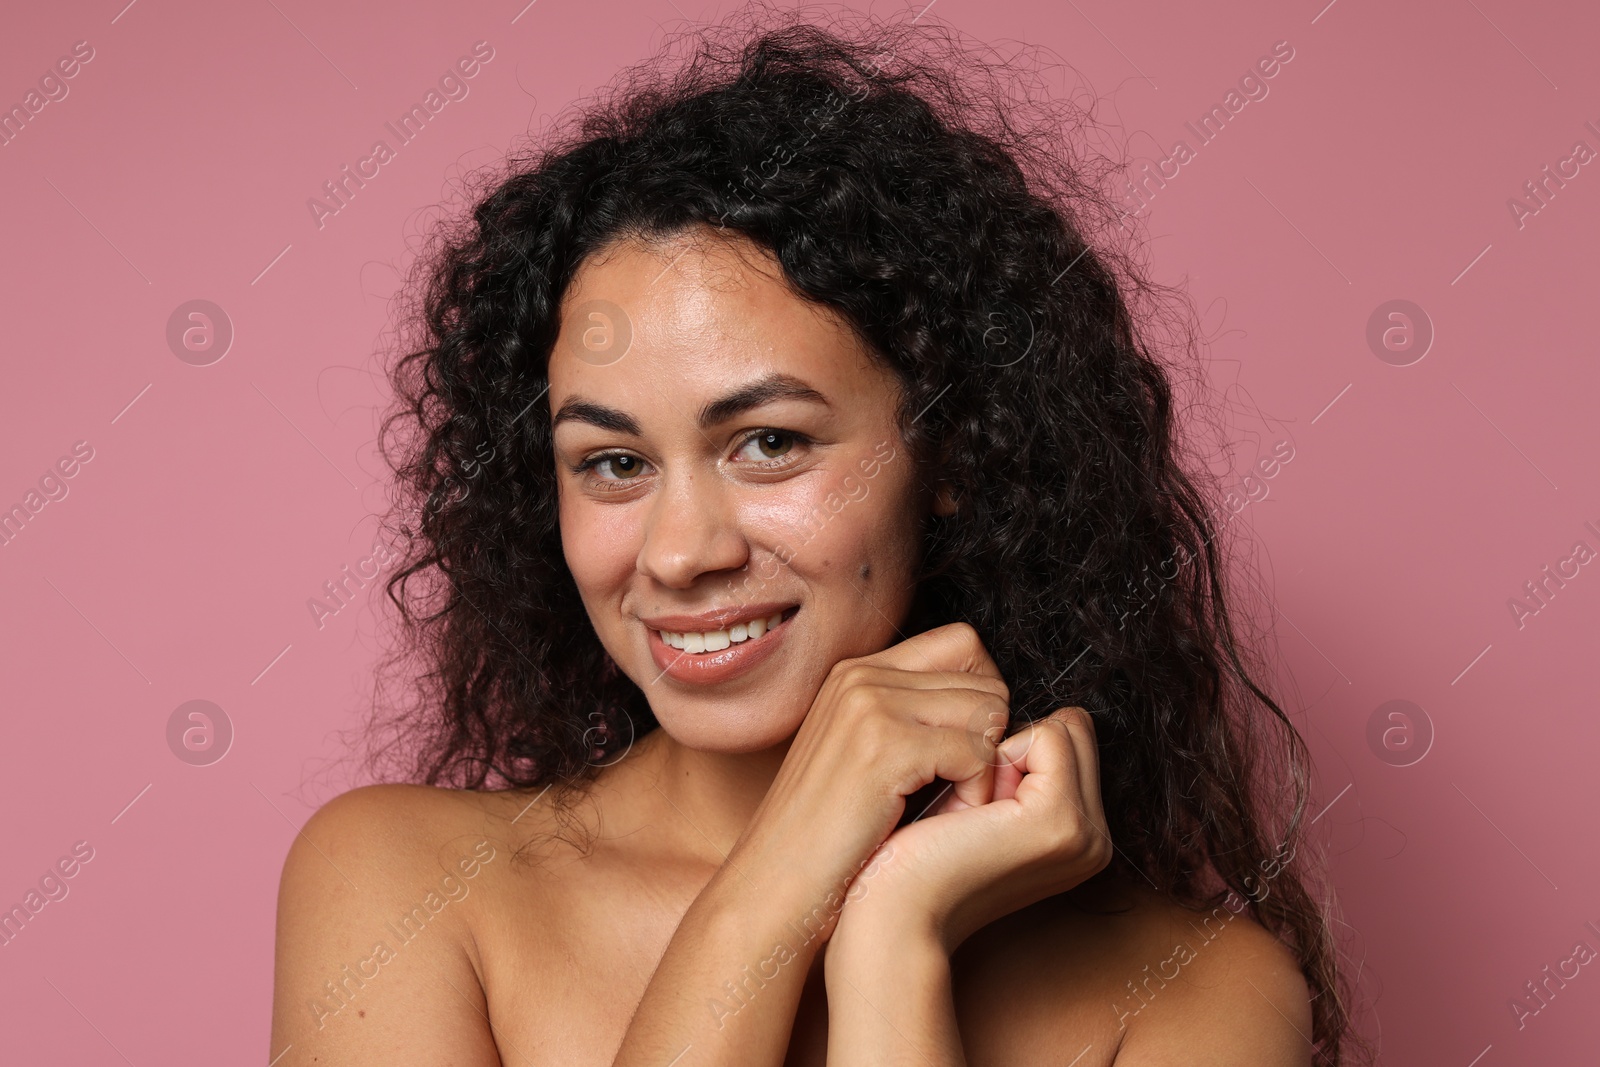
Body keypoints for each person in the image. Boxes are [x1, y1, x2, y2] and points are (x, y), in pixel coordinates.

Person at [270, 9, 1361, 1065]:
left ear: (954, 455)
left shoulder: (1194, 996)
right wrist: (780, 879)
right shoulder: (400, 885)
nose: (679, 552)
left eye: (768, 443)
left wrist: (892, 939)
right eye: (614, 463)